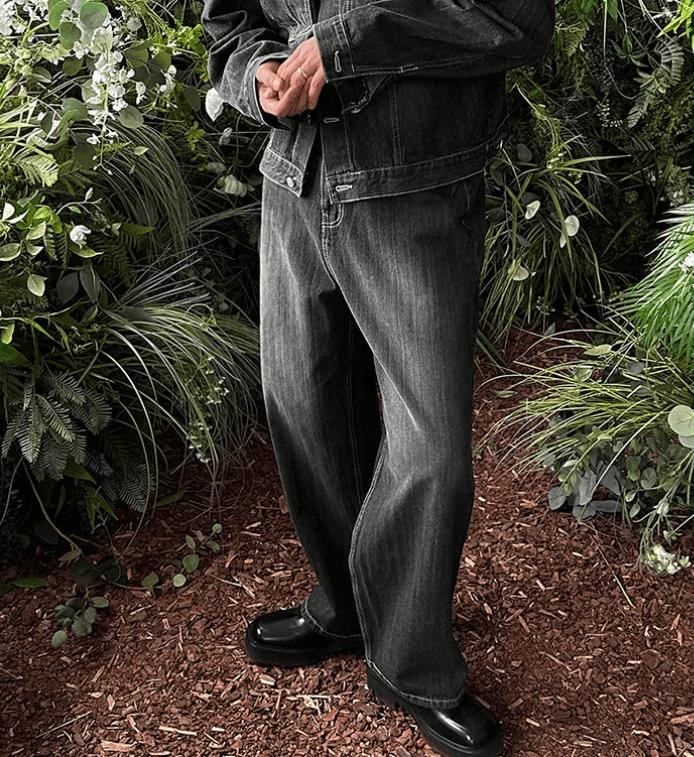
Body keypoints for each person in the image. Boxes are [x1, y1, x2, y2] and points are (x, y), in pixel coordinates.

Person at [201, 2, 555, 755]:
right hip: (295, 179)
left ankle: (411, 663)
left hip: (414, 185)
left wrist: (344, 45)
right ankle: (347, 610)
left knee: (430, 450)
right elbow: (229, 23)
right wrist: (257, 74)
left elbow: (515, 19)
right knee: (304, 410)